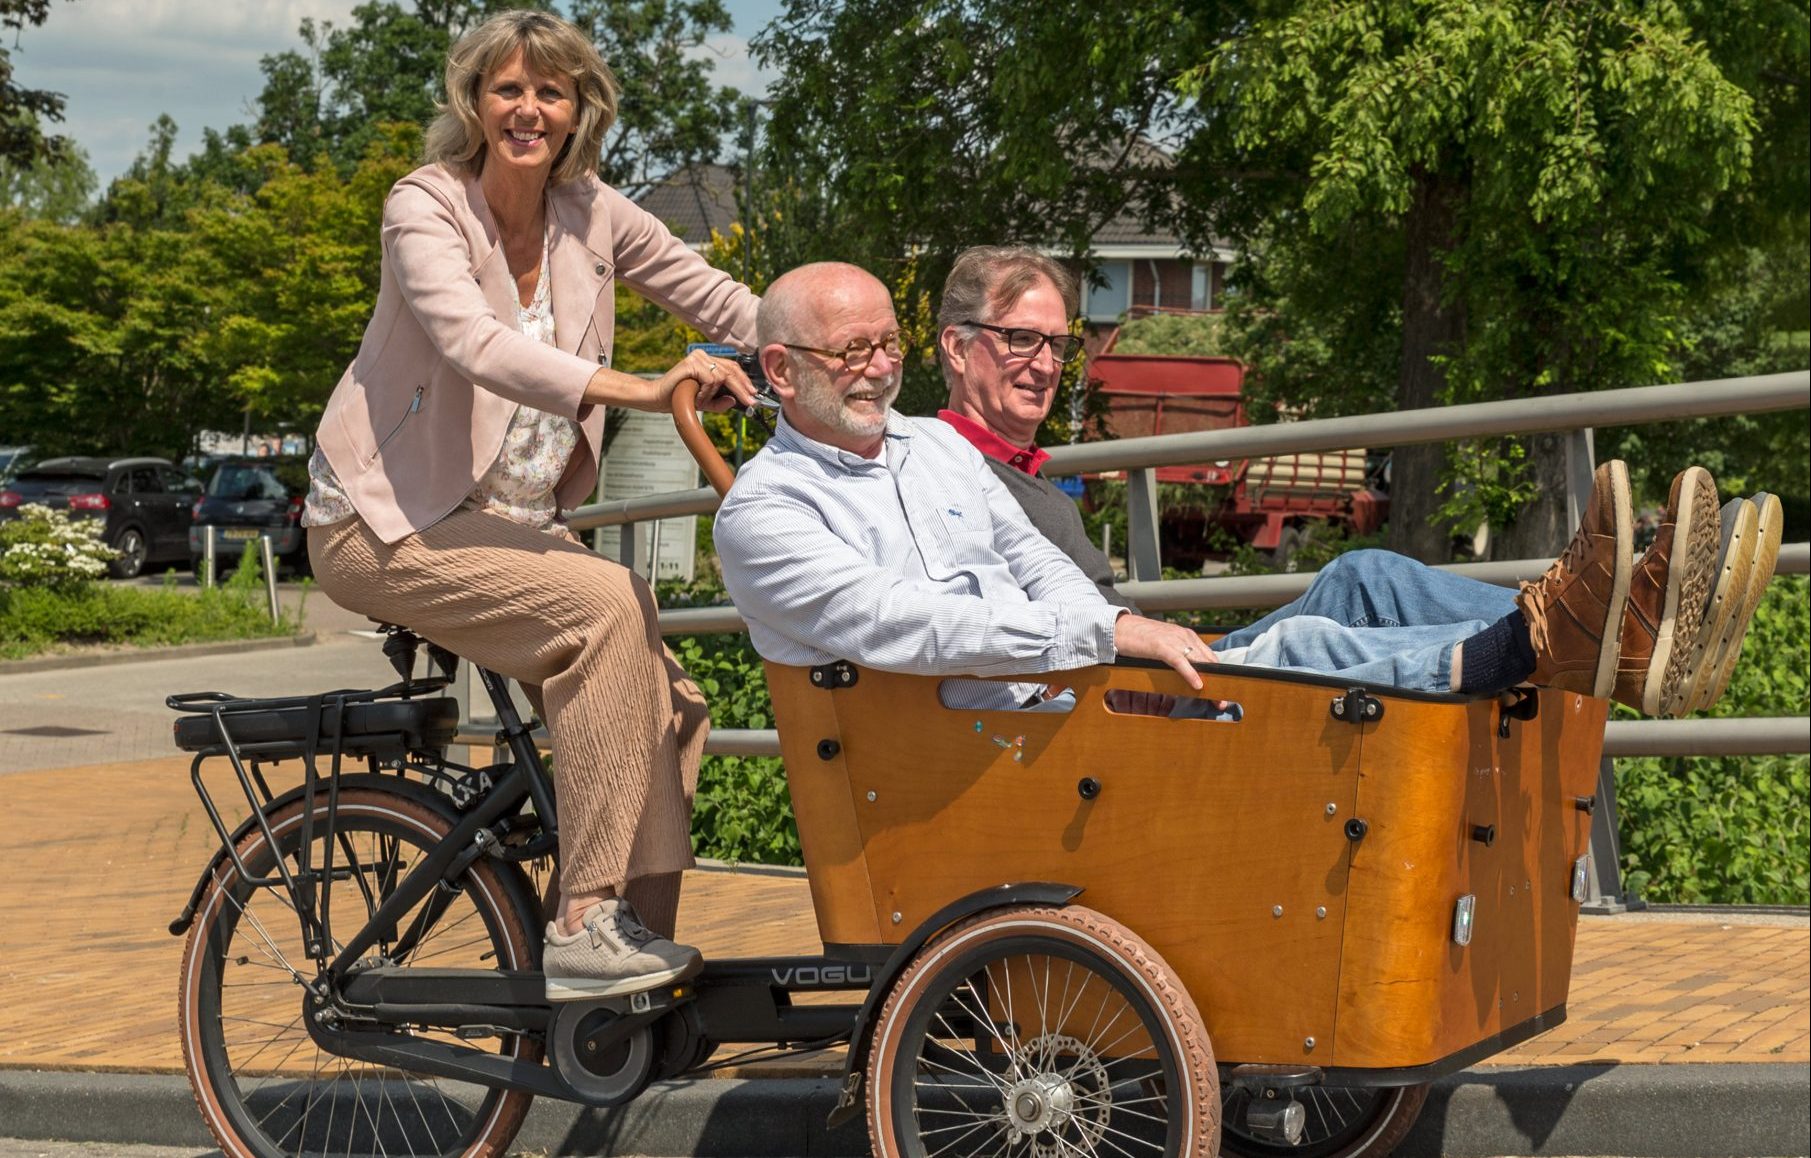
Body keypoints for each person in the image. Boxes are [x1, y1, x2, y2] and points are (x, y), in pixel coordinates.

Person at [715, 262, 1772, 718]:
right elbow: (902, 623)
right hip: (1000, 730)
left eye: (879, 344)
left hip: (1068, 690)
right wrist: (1104, 639)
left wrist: (1112, 621)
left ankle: (1615, 626)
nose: (872, 368)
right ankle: (1556, 641)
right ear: (779, 370)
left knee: (1355, 578)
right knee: (1306, 650)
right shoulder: (765, 515)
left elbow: (1032, 558)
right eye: (845, 352)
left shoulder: (926, 451)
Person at [302, 10, 761, 1000]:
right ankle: (584, 919)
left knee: (674, 703)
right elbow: (476, 343)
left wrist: (835, 345)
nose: (526, 108)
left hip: (507, 521)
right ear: (474, 101)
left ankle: (632, 975)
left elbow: (718, 299)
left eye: (548, 91)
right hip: (383, 522)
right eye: (506, 88)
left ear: (576, 110)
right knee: (603, 610)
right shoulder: (424, 206)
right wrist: (642, 387)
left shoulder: (591, 212)